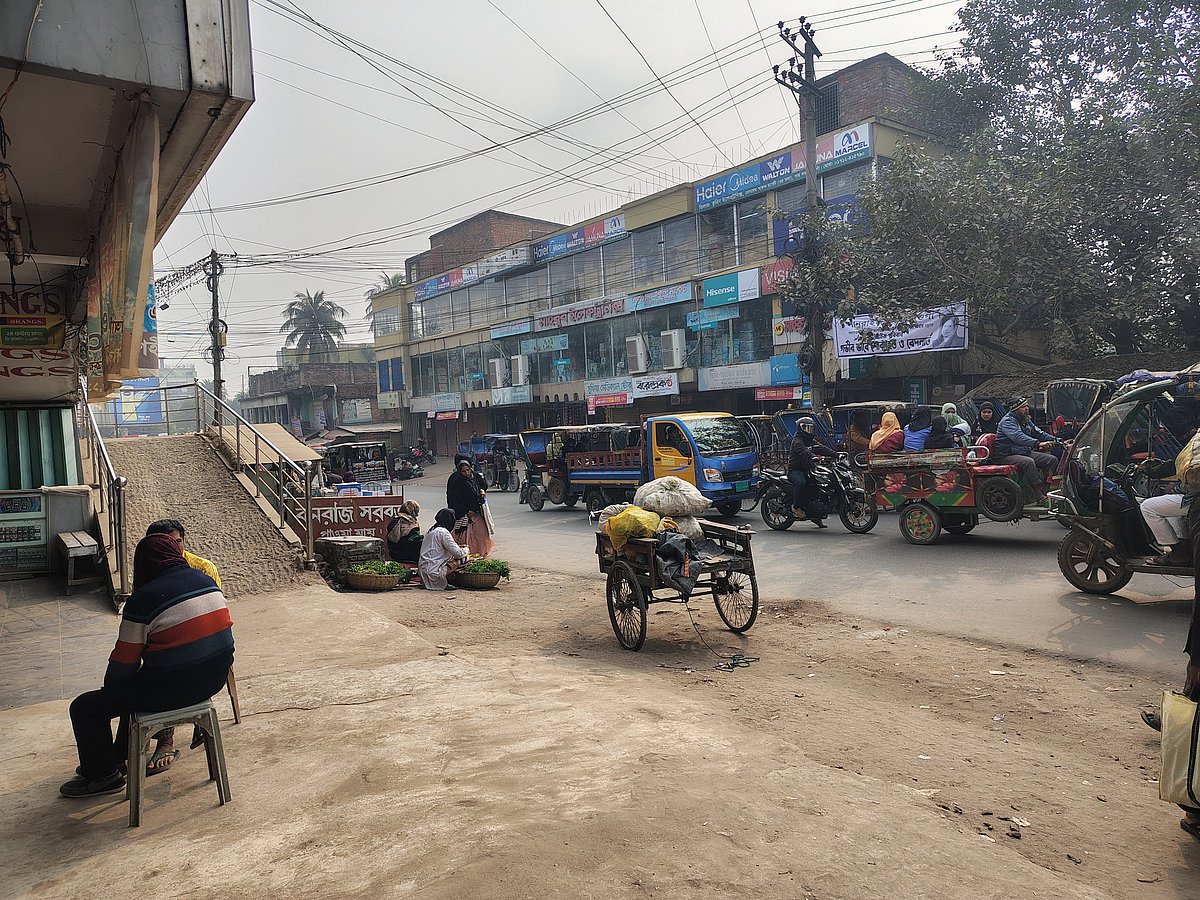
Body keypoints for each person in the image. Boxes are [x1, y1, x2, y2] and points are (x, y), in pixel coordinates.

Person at [59, 535, 234, 798]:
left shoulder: (144, 600)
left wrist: (111, 692)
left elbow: (122, 665)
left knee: (85, 707)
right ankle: (117, 756)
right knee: (134, 690)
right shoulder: (207, 582)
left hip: (172, 691)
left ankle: (103, 777)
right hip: (213, 681)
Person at [139, 519, 223, 774]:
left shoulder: (203, 569)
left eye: (177, 542)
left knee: (157, 672)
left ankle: (165, 739)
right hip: (168, 645)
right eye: (165, 544)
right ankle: (165, 736)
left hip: (205, 646)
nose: (173, 549)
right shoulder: (147, 573)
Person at [995, 398, 1062, 501]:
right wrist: (1038, 443)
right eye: (1023, 407)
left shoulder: (1025, 419)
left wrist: (1057, 440)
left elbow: (1038, 432)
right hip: (1006, 455)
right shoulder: (1007, 421)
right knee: (1028, 462)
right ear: (1015, 409)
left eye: (1027, 406)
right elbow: (1018, 436)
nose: (1027, 408)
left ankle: (1046, 492)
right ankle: (1038, 495)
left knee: (1051, 460)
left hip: (1024, 452)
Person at [787, 416, 836, 524]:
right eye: (806, 428)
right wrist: (814, 457)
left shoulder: (810, 441)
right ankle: (796, 507)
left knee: (819, 485)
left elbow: (822, 448)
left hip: (809, 469)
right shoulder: (797, 442)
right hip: (795, 470)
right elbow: (805, 452)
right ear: (800, 429)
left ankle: (815, 513)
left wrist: (836, 454)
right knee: (801, 483)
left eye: (811, 428)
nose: (809, 431)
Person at [447, 455, 494, 557]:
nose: (467, 473)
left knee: (482, 536)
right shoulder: (455, 480)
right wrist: (466, 511)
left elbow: (484, 485)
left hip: (477, 512)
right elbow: (452, 500)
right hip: (464, 515)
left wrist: (482, 490)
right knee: (466, 539)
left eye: (468, 470)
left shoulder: (475, 476)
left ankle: (481, 555)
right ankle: (467, 557)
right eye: (464, 471)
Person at [419, 508, 469, 590]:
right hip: (434, 572)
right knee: (465, 558)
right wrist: (466, 549)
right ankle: (450, 579)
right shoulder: (443, 532)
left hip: (423, 572)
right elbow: (458, 553)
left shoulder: (431, 530)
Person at [386, 500, 423, 564]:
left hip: (393, 553)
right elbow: (415, 542)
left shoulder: (394, 521)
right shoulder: (412, 524)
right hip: (406, 555)